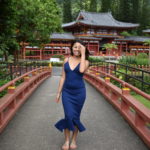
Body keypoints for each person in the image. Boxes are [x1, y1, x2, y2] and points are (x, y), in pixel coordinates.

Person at [54, 39, 90, 150]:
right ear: (71, 48)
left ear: (83, 49)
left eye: (79, 47)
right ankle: (66, 141)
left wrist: (83, 54)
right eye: (75, 47)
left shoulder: (86, 62)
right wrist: (58, 92)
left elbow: (81, 70)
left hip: (79, 93)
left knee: (75, 117)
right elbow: (63, 77)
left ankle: (73, 140)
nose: (77, 49)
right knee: (69, 115)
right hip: (67, 93)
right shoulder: (66, 60)